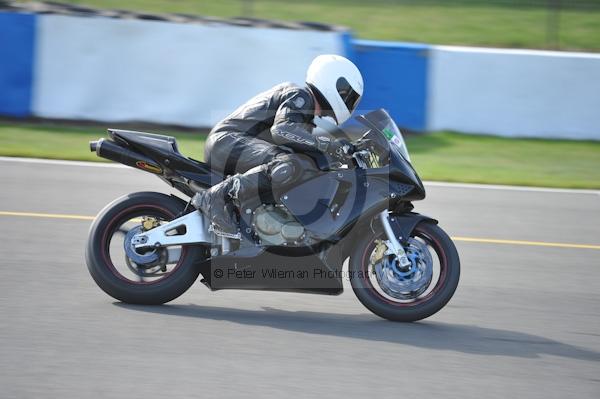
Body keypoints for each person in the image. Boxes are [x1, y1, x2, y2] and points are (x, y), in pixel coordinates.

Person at [192, 54, 364, 236]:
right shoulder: (300, 95)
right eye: (348, 95)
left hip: (233, 144)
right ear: (332, 81)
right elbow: (282, 130)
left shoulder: (306, 115)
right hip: (227, 141)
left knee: (302, 166)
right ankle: (216, 197)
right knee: (291, 164)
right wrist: (329, 145)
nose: (348, 101)